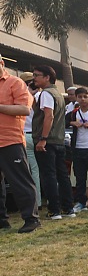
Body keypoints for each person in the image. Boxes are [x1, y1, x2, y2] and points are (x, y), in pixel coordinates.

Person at [0, 55, 40, 233]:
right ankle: (2, 221)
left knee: (20, 181)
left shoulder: (15, 83)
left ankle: (31, 219)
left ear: (1, 62)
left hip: (11, 141)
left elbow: (24, 108)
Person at [32, 64, 74, 219]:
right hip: (58, 140)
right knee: (62, 175)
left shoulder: (46, 94)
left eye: (37, 75)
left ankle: (54, 210)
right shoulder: (57, 93)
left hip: (47, 141)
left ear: (47, 77)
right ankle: (68, 208)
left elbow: (48, 116)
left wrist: (42, 139)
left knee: (48, 175)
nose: (34, 78)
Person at [19, 72, 41, 208]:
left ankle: (35, 202)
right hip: (39, 135)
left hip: (25, 135)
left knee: (29, 171)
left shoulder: (21, 96)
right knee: (39, 171)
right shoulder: (40, 96)